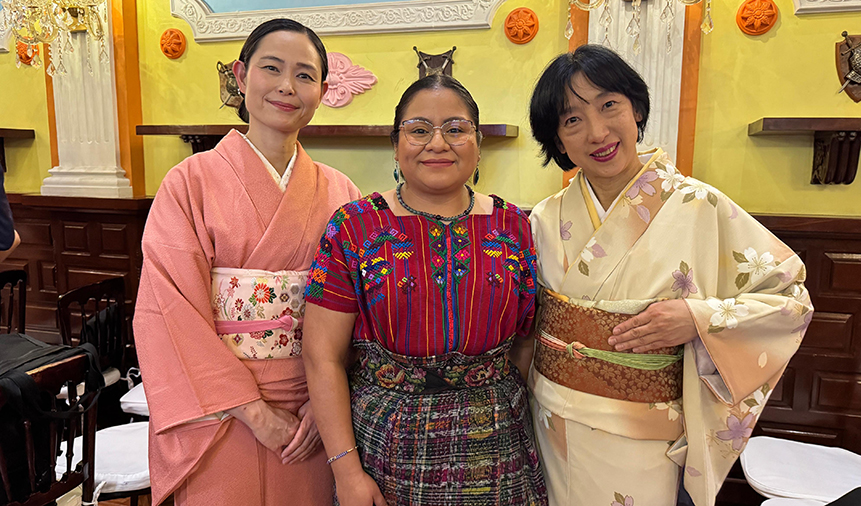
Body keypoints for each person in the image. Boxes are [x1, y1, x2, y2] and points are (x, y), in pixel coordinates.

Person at [526, 45, 813, 506]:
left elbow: (790, 298)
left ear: (636, 109)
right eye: (572, 119)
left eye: (609, 105)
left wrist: (699, 318)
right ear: (558, 141)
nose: (597, 132)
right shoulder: (543, 218)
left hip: (646, 433)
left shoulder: (700, 206)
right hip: (552, 422)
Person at [133, 19, 361, 506]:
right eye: (271, 68)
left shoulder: (342, 192)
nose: (287, 86)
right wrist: (253, 412)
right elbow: (168, 311)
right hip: (220, 409)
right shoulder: (189, 182)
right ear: (240, 76)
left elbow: (359, 314)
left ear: (322, 91)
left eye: (305, 75)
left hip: (311, 407)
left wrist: (324, 405)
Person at [302, 74, 548, 506]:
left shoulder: (514, 227)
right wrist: (346, 471)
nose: (438, 143)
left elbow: (525, 342)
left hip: (496, 441)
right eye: (418, 130)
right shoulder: (354, 227)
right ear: (396, 145)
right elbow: (322, 356)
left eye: (456, 129)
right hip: (386, 444)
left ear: (478, 143)